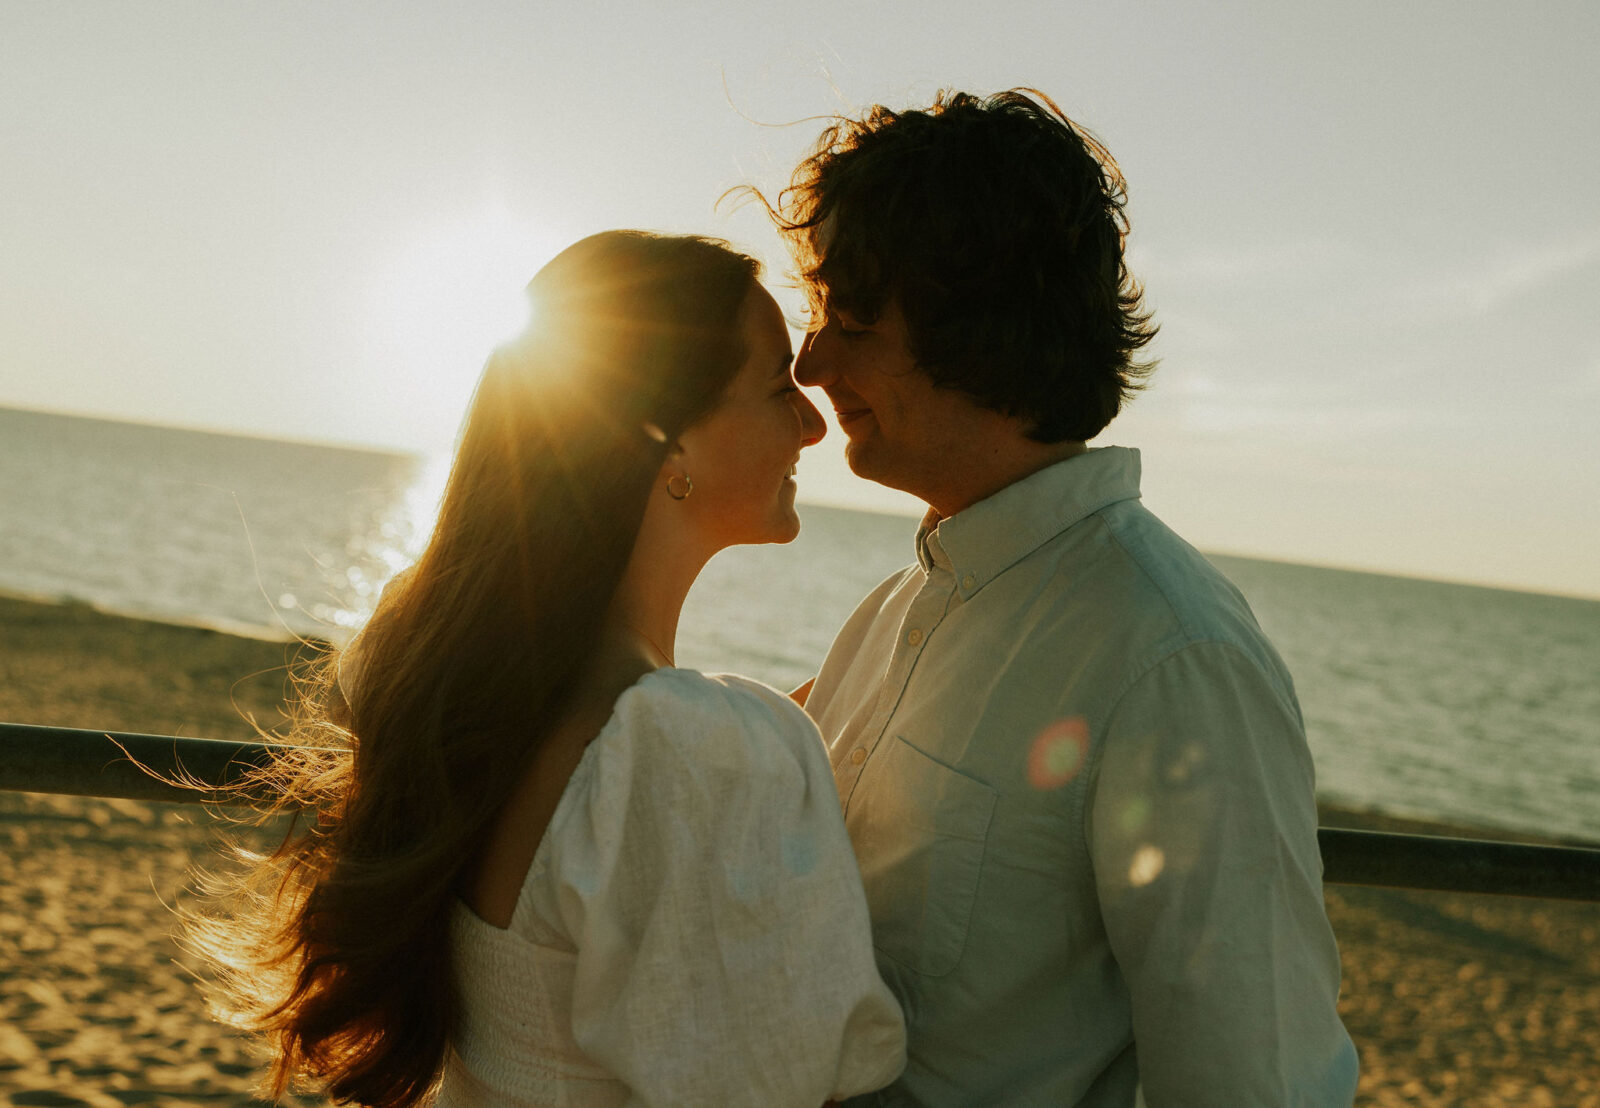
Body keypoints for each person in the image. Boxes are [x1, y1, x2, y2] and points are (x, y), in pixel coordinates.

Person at [186, 231, 906, 1107]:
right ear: (668, 447)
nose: (811, 420)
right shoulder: (681, 752)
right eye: (775, 385)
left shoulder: (431, 664)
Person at [765, 90, 1360, 1105]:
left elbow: (1253, 1079)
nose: (810, 362)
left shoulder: (1170, 657)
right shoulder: (886, 616)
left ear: (981, 325)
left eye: (851, 320)